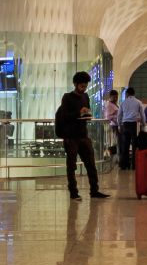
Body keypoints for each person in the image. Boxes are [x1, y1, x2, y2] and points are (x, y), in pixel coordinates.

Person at [56, 71, 108, 200]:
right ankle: (73, 192)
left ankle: (94, 190)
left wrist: (87, 114)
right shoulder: (67, 97)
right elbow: (65, 116)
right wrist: (78, 113)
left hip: (83, 135)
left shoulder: (86, 97)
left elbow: (86, 112)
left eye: (85, 86)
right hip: (71, 137)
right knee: (72, 165)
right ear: (75, 84)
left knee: (91, 164)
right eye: (81, 86)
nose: (83, 88)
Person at [118, 87, 141, 171]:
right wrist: (144, 124)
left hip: (125, 124)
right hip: (134, 124)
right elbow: (142, 114)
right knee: (135, 145)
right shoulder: (138, 102)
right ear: (134, 94)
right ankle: (134, 165)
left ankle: (124, 165)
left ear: (127, 94)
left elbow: (119, 115)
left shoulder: (123, 103)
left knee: (125, 145)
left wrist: (119, 125)